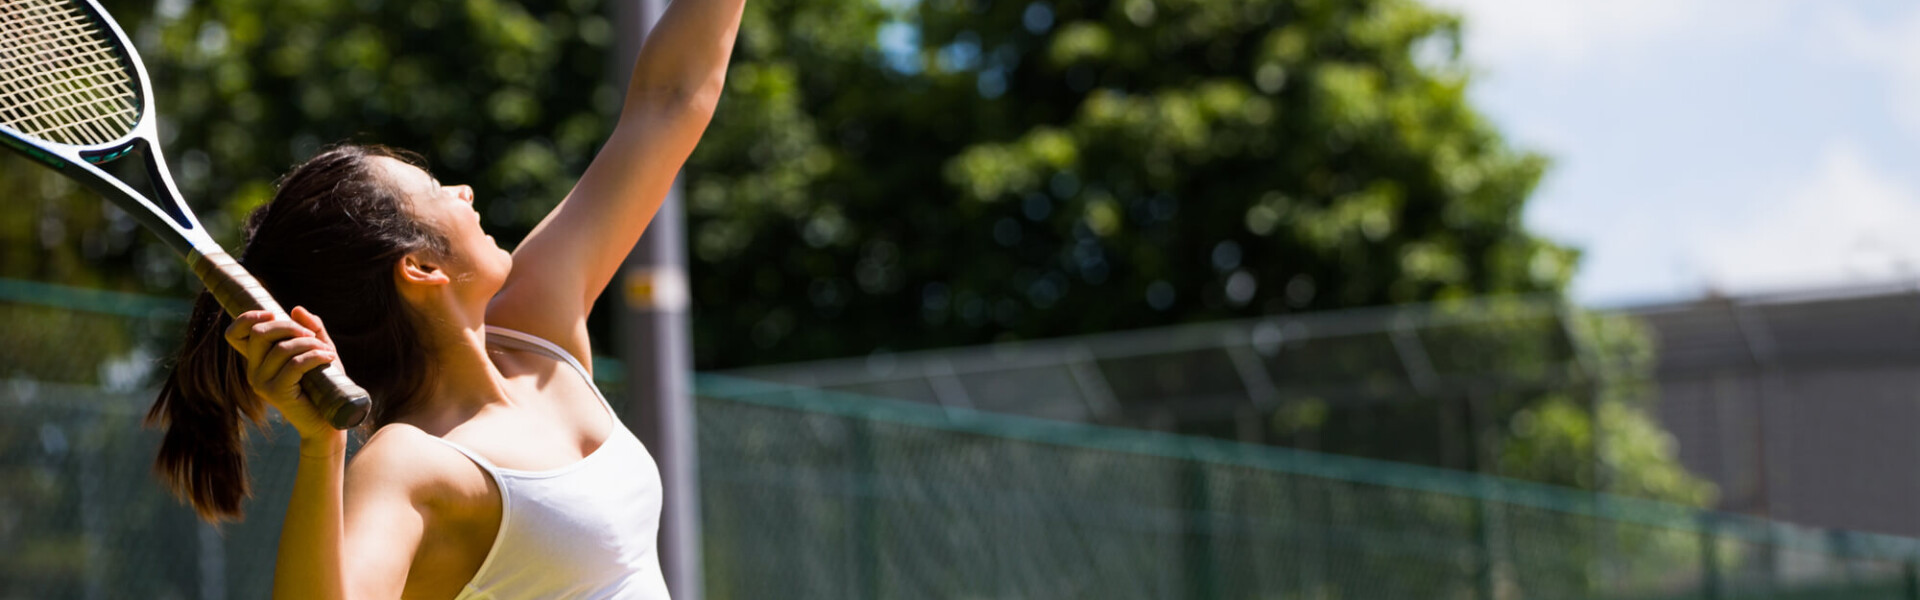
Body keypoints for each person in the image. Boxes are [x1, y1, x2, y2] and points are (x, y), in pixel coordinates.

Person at [144, 0, 745, 597]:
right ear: (422, 267)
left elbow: (670, 99)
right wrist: (322, 448)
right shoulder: (408, 462)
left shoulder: (534, 333)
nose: (464, 191)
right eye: (436, 190)